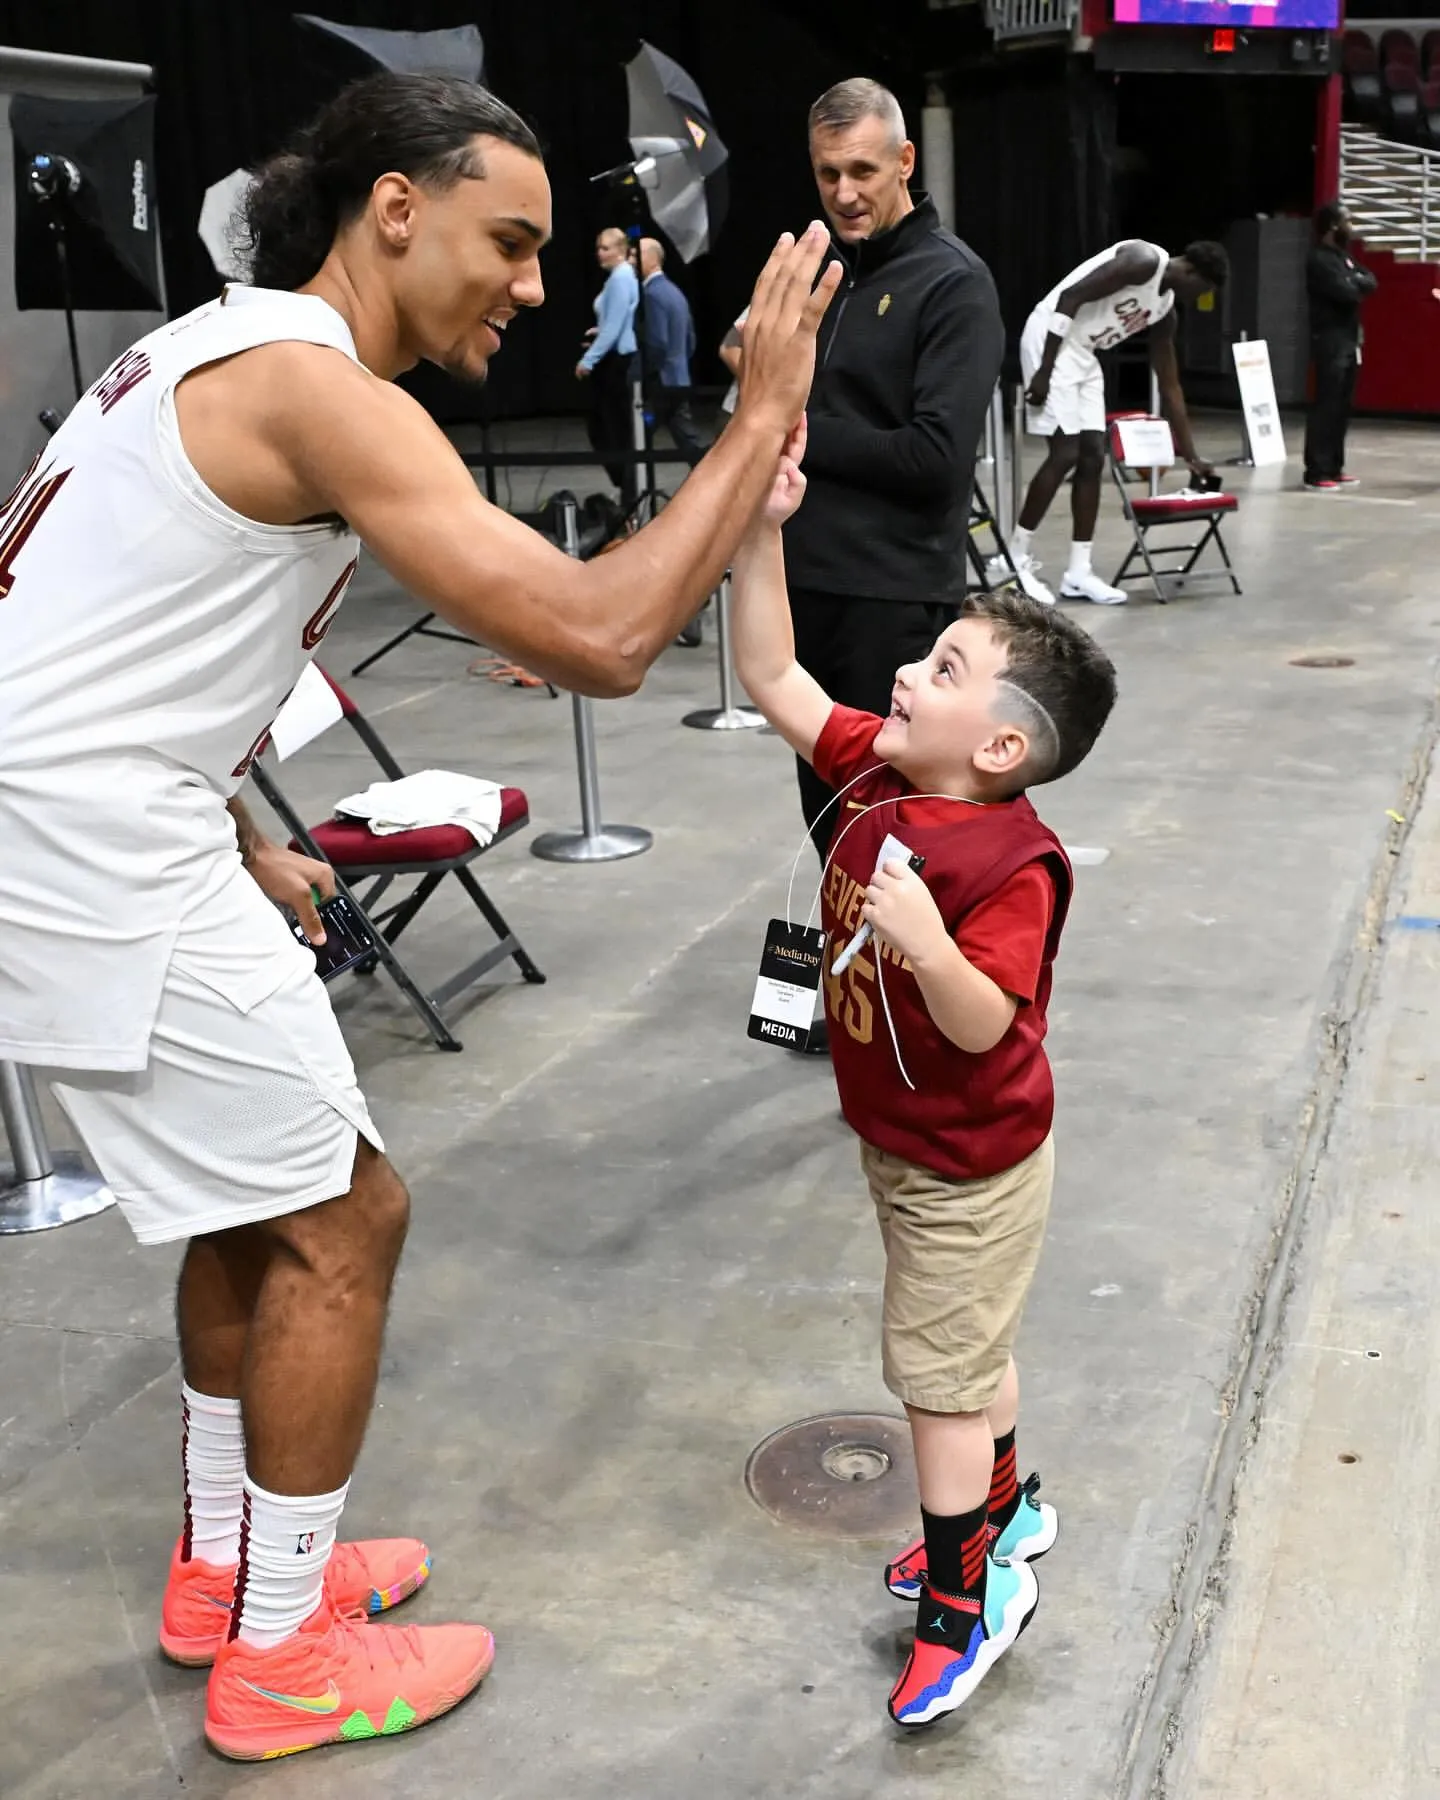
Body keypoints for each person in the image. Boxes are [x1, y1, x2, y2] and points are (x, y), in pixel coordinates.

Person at [0, 72, 839, 1764]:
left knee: (256, 1210)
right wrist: (758, 420)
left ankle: (226, 1572)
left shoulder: (205, 351)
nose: (532, 285)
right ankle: (288, 1655)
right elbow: (605, 636)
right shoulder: (321, 390)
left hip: (99, 825)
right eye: (508, 241)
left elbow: (82, 636)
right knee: (341, 1221)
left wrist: (234, 821)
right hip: (86, 850)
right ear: (396, 209)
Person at [732, 417, 1117, 1728]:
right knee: (971, 1348)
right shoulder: (880, 772)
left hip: (971, 1161)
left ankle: (966, 1604)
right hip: (902, 1142)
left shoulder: (1007, 863)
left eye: (943, 668)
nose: (904, 674)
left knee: (936, 1379)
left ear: (1000, 748)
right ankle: (1005, 1515)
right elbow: (773, 671)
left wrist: (924, 944)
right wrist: (760, 531)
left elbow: (979, 1023)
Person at [782, 79, 1004, 872]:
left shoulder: (953, 283)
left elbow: (935, 458)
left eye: (863, 172)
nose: (844, 193)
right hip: (805, 589)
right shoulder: (824, 274)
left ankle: (909, 993)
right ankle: (843, 993)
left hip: (892, 603)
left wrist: (798, 430)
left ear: (905, 160)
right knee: (826, 819)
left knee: (896, 830)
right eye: (827, 173)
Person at [1005, 239, 1230, 606]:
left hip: (1084, 352)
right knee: (1066, 453)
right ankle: (1013, 560)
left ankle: (1079, 572)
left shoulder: (1165, 311)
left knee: (1093, 455)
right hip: (1052, 338)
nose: (1199, 299)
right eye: (1202, 290)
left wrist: (1191, 455)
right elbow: (1070, 298)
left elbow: (1170, 385)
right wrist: (1044, 369)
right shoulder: (1143, 261)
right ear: (1190, 271)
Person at [1303, 201, 1375, 492]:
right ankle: (1316, 471)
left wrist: (1355, 281)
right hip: (1330, 339)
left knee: (1343, 405)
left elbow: (1370, 281)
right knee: (1326, 404)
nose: (1351, 227)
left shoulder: (1344, 258)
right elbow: (1347, 293)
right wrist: (1354, 284)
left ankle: (1335, 465)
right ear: (1333, 226)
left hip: (1349, 339)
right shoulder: (1318, 259)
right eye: (1347, 221)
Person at [576, 224, 639, 505]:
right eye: (598, 248)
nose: (599, 253)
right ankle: (627, 490)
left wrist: (588, 360)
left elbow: (615, 327)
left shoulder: (621, 278)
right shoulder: (619, 277)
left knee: (610, 431)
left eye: (605, 248)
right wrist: (597, 332)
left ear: (621, 250)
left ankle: (628, 491)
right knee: (610, 429)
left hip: (616, 363)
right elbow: (613, 323)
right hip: (614, 357)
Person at [638, 237, 704, 468]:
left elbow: (657, 342)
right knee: (685, 435)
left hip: (661, 382)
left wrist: (647, 371)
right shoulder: (674, 291)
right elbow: (690, 338)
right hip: (678, 377)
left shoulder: (653, 294)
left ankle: (630, 492)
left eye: (637, 254)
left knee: (638, 433)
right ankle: (706, 477)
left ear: (652, 258)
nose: (633, 260)